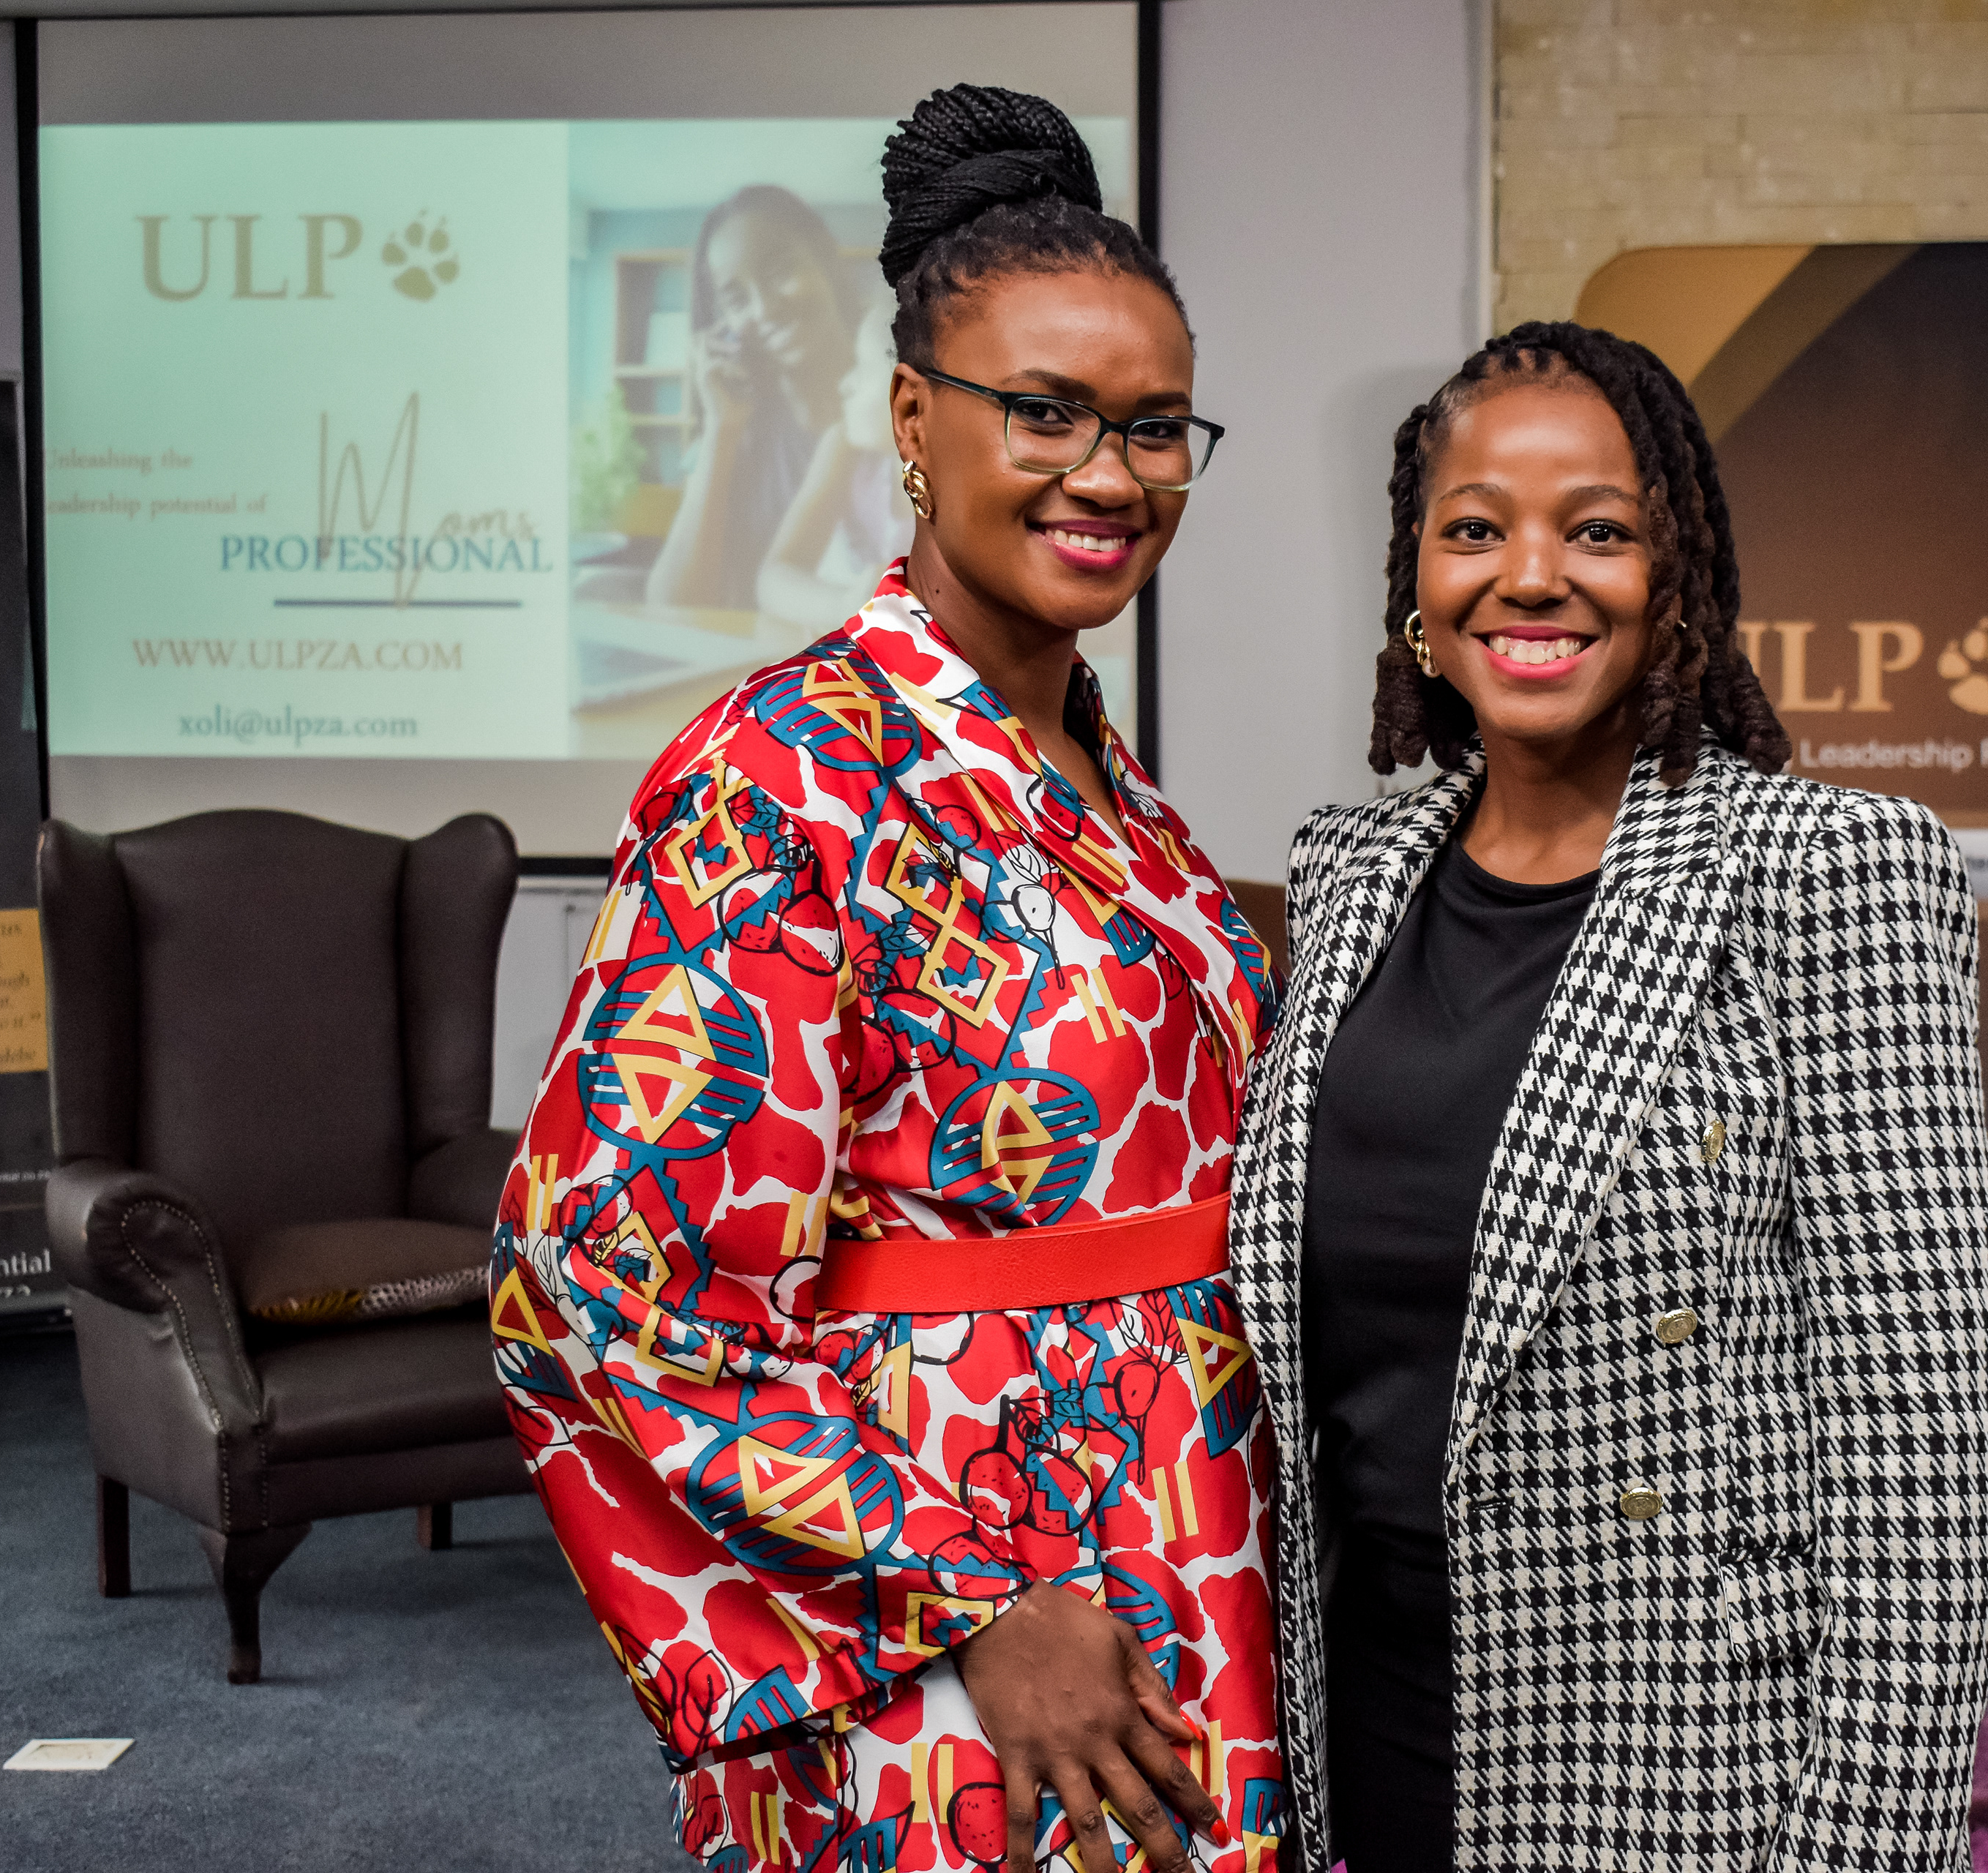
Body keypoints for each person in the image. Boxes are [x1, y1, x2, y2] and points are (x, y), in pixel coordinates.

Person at [498, 86, 1280, 1873]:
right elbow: (597, 1268)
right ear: (915, 419)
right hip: (971, 1582)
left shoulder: (1104, 774)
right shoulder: (779, 771)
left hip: (1193, 1527)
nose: (1110, 474)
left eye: (1156, 427)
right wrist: (971, 1597)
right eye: (1046, 412)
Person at [1227, 322, 1988, 1872]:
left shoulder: (1831, 872)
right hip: (1367, 1707)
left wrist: (1864, 1850)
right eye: (1475, 529)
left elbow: (1926, 1447)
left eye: (1597, 530)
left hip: (1685, 1751)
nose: (1531, 577)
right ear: (1416, 583)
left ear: (1676, 580)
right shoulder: (1347, 873)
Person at [645, 185, 857, 610]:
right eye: (737, 298)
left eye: (780, 271)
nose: (764, 309)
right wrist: (721, 430)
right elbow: (672, 609)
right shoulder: (731, 441)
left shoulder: (902, 407)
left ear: (825, 261)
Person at [754, 285, 918, 633]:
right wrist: (844, 607)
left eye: (861, 368)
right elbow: (773, 578)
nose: (845, 384)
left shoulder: (964, 482)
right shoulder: (844, 449)